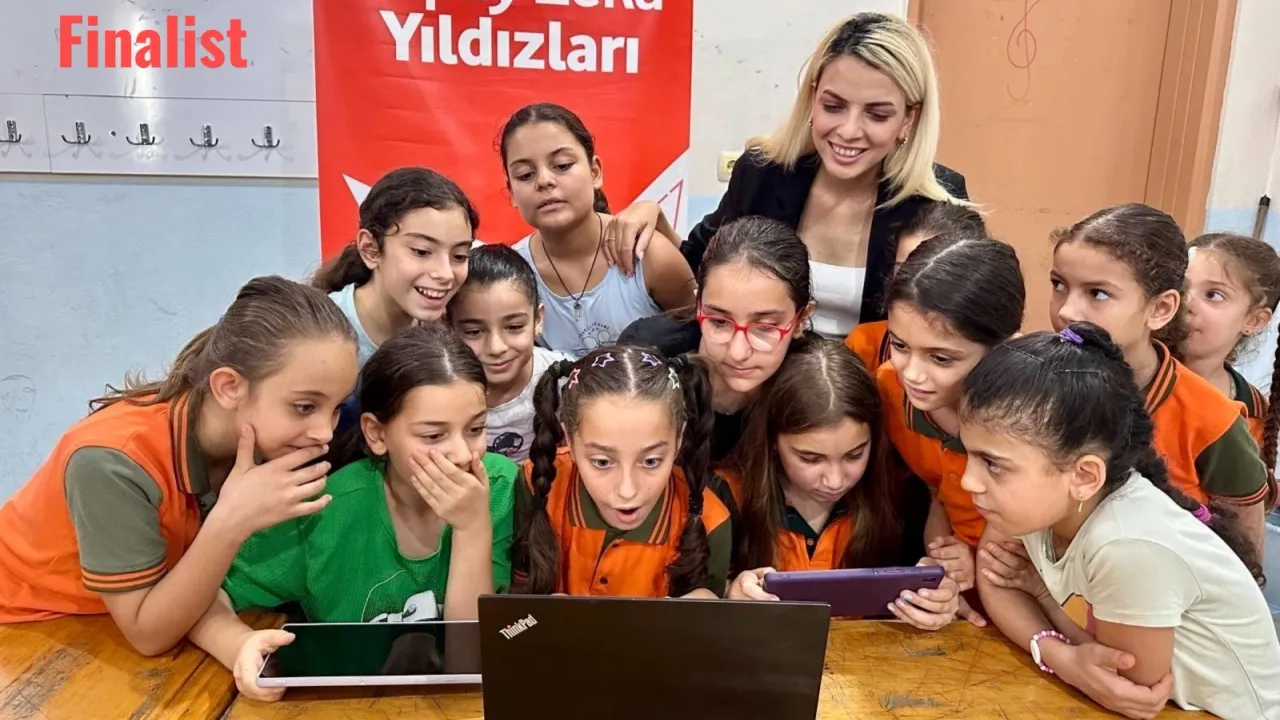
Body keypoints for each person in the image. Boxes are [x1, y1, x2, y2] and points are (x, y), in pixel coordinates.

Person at [0, 277, 358, 657]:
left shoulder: (262, 443)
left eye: (337, 408)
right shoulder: (111, 461)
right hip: (27, 627)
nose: (324, 432)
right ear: (229, 387)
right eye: (304, 407)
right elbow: (148, 635)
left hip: (118, 622)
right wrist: (231, 521)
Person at [187, 324, 517, 702]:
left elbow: (466, 667)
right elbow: (202, 598)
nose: (461, 454)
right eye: (433, 436)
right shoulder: (321, 511)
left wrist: (472, 529)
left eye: (476, 428)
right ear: (376, 434)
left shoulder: (500, 488)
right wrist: (237, 644)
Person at [967, 324, 1280, 720]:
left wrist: (1043, 602)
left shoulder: (1128, 545)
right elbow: (995, 580)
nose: (969, 481)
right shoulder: (1031, 502)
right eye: (970, 454)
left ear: (1084, 476)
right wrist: (1056, 652)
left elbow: (1128, 684)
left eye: (992, 464)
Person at [606, 12, 968, 339]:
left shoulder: (937, 203)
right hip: (760, 374)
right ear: (812, 98)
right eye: (833, 106)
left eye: (877, 114)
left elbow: (956, 328)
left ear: (908, 119)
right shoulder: (762, 173)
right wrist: (655, 219)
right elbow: (697, 269)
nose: (848, 131)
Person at [1049, 204, 1271, 552]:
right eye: (1059, 284)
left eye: (1098, 293)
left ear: (1161, 308)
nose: (1066, 311)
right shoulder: (1038, 384)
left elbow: (1245, 554)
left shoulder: (1214, 421)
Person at [724, 338, 960, 631]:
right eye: (810, 458)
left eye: (854, 455)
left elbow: (925, 588)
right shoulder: (726, 498)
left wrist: (938, 601)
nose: (835, 481)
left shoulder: (903, 497)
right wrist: (729, 595)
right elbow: (692, 599)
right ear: (773, 441)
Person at [878, 231, 1024, 623]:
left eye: (941, 359)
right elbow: (938, 490)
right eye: (900, 345)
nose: (912, 373)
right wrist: (943, 561)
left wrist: (978, 559)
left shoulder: (1034, 418)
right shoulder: (890, 390)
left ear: (1006, 349)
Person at [511, 347, 732, 598]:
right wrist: (537, 615)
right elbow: (511, 608)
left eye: (651, 461)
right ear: (569, 440)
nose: (627, 491)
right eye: (602, 462)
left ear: (679, 438)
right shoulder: (536, 485)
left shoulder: (710, 523)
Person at [499, 104, 695, 358]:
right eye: (525, 175)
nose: (544, 181)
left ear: (595, 172)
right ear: (512, 193)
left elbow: (701, 340)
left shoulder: (649, 255)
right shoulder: (512, 275)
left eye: (562, 165)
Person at [619, 216, 816, 465]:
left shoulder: (815, 383)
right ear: (698, 303)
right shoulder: (646, 354)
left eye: (764, 328)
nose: (738, 352)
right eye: (720, 322)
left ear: (801, 319)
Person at [312, 166, 480, 428]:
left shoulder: (446, 333)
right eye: (422, 251)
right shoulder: (314, 334)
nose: (445, 274)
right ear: (370, 249)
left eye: (459, 256)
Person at [1180, 232, 1280, 505]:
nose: (1186, 303)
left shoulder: (1252, 412)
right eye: (1181, 286)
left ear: (1254, 320)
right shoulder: (1135, 373)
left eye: (1213, 295)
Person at [448, 244, 570, 461]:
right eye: (474, 332)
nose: (496, 348)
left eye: (514, 327)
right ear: (448, 327)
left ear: (538, 320)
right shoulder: (438, 389)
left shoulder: (566, 380)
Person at [845, 200, 986, 369]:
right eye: (903, 269)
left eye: (942, 358)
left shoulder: (991, 354)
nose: (915, 280)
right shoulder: (864, 344)